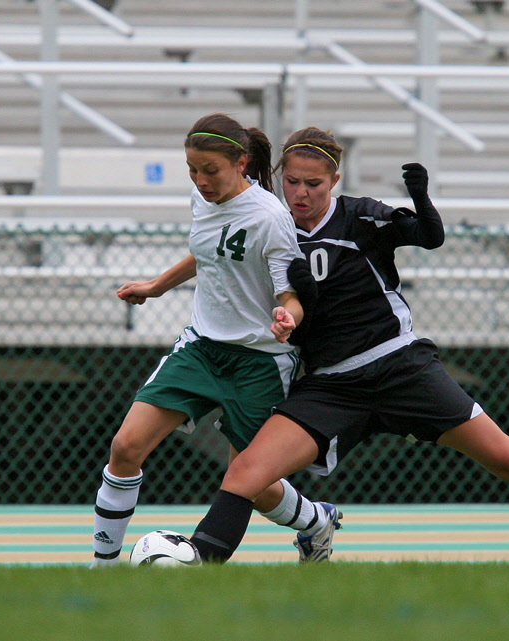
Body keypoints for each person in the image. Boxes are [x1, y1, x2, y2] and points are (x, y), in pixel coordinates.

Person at [187, 126, 509, 563]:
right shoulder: (272, 223)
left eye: (313, 184)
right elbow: (215, 260)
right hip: (330, 386)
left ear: (335, 181)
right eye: (292, 182)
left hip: (398, 368)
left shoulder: (361, 217)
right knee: (248, 469)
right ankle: (198, 564)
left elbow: (430, 236)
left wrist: (422, 199)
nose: (300, 193)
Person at [91, 114, 341, 567]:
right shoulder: (200, 200)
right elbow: (209, 251)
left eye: (211, 171)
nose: (201, 181)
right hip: (202, 348)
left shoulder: (271, 218)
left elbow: (290, 292)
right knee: (125, 447)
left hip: (260, 361)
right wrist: (156, 286)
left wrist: (288, 317)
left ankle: (314, 522)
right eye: (192, 170)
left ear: (241, 163)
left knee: (253, 482)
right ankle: (102, 568)